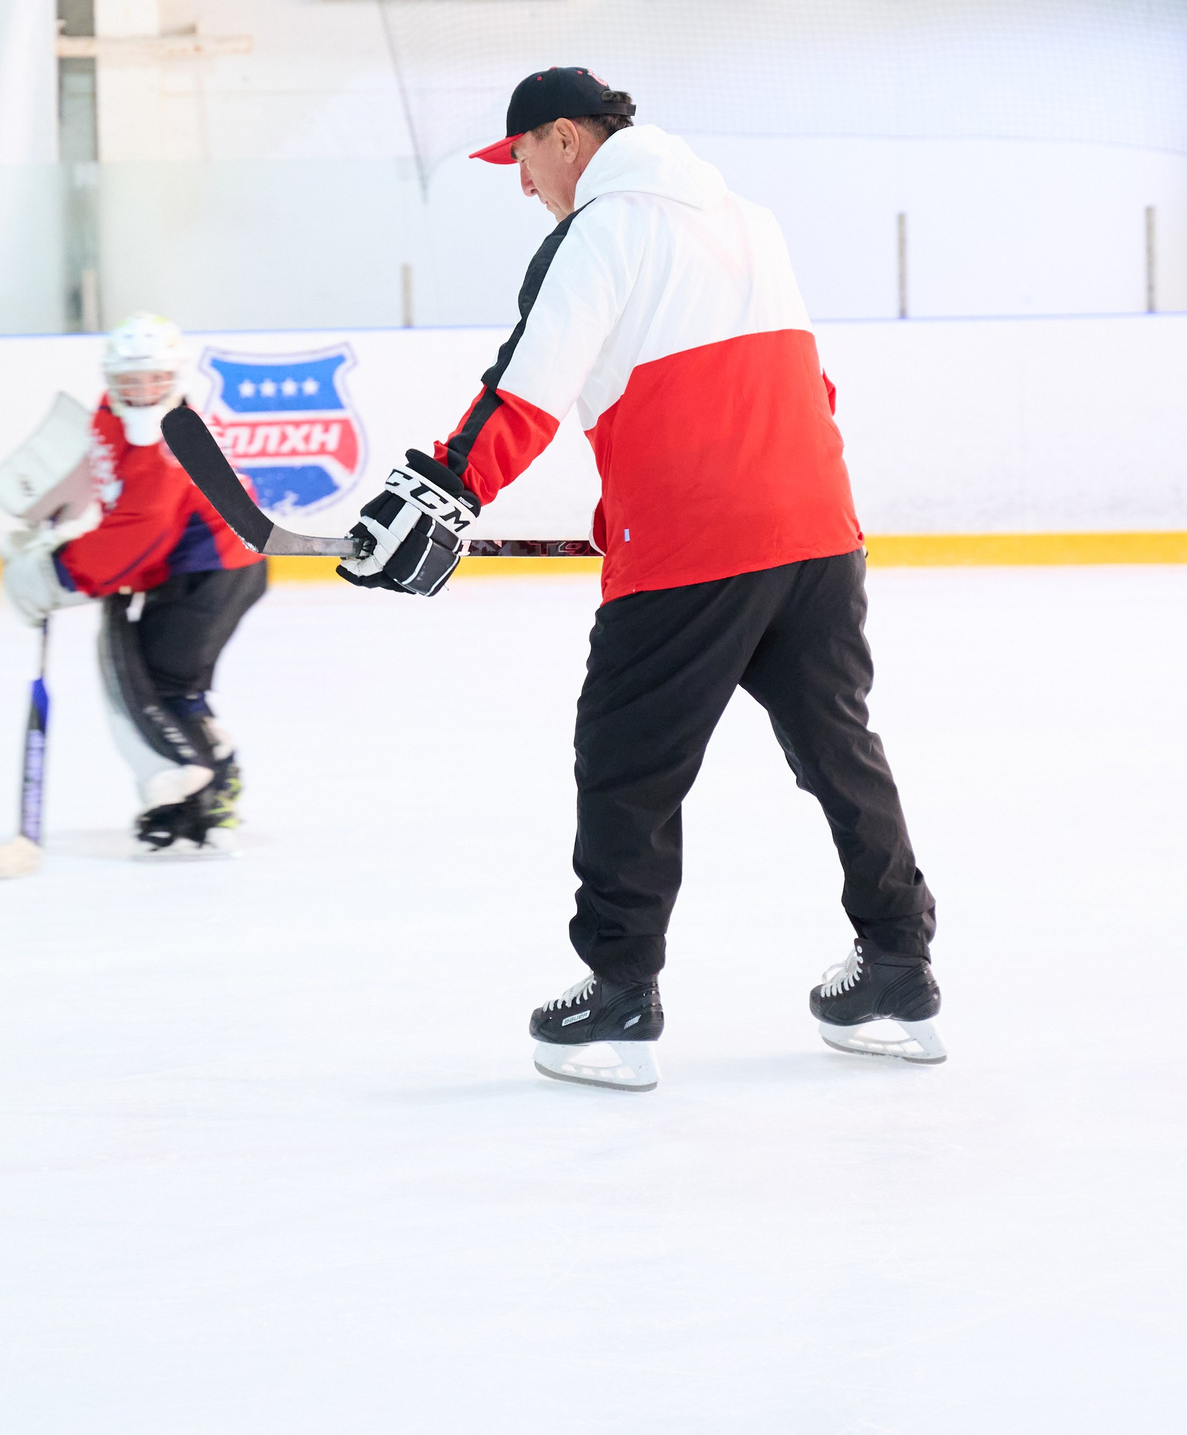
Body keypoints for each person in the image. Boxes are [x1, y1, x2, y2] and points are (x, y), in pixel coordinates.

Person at [336, 67, 940, 1092]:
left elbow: (525, 391)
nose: (522, 184)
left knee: (626, 763)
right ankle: (898, 966)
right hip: (819, 532)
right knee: (838, 746)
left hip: (693, 552)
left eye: (520, 157)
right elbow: (806, 380)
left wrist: (440, 491)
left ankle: (617, 995)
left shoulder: (599, 232)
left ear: (564, 137)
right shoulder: (749, 218)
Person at [0, 314, 267, 850]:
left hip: (215, 573)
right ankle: (204, 789)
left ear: (178, 378)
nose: (143, 392)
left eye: (155, 380)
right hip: (194, 565)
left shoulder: (172, 446)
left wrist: (56, 571)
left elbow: (142, 533)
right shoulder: (108, 418)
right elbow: (121, 499)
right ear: (111, 380)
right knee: (162, 682)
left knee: (160, 686)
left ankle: (201, 791)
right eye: (130, 381)